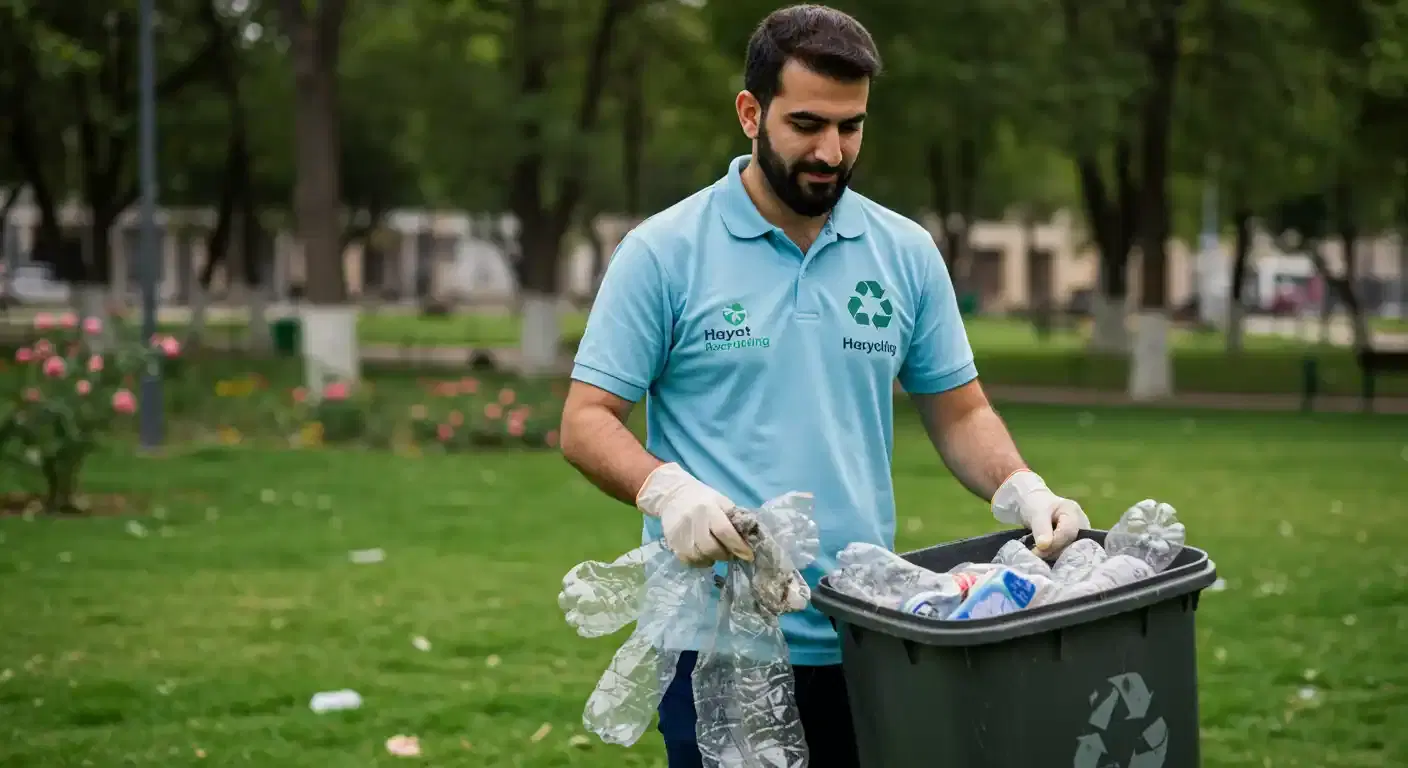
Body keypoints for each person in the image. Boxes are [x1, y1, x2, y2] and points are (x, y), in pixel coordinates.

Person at [558, 5, 1090, 767]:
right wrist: (667, 493)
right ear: (750, 112)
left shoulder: (904, 252)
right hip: (718, 644)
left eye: (851, 127)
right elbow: (586, 421)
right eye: (807, 123)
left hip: (874, 634)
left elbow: (961, 411)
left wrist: (1024, 489)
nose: (831, 151)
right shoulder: (664, 251)